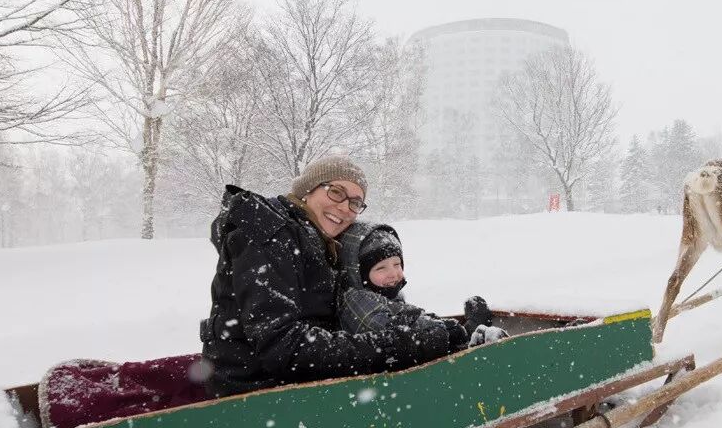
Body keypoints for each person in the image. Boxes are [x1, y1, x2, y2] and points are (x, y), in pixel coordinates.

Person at [200, 155, 454, 398]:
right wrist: (400, 345)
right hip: (257, 391)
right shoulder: (272, 234)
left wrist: (423, 327)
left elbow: (356, 307)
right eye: (336, 192)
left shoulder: (316, 238)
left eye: (355, 203)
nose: (344, 208)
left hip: (292, 384)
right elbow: (283, 348)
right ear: (307, 189)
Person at [336, 222, 506, 349]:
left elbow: (409, 318)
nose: (393, 273)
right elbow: (395, 330)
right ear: (358, 274)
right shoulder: (357, 303)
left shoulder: (382, 294)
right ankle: (471, 336)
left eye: (397, 264)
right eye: (381, 268)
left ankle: (471, 334)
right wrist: (448, 331)